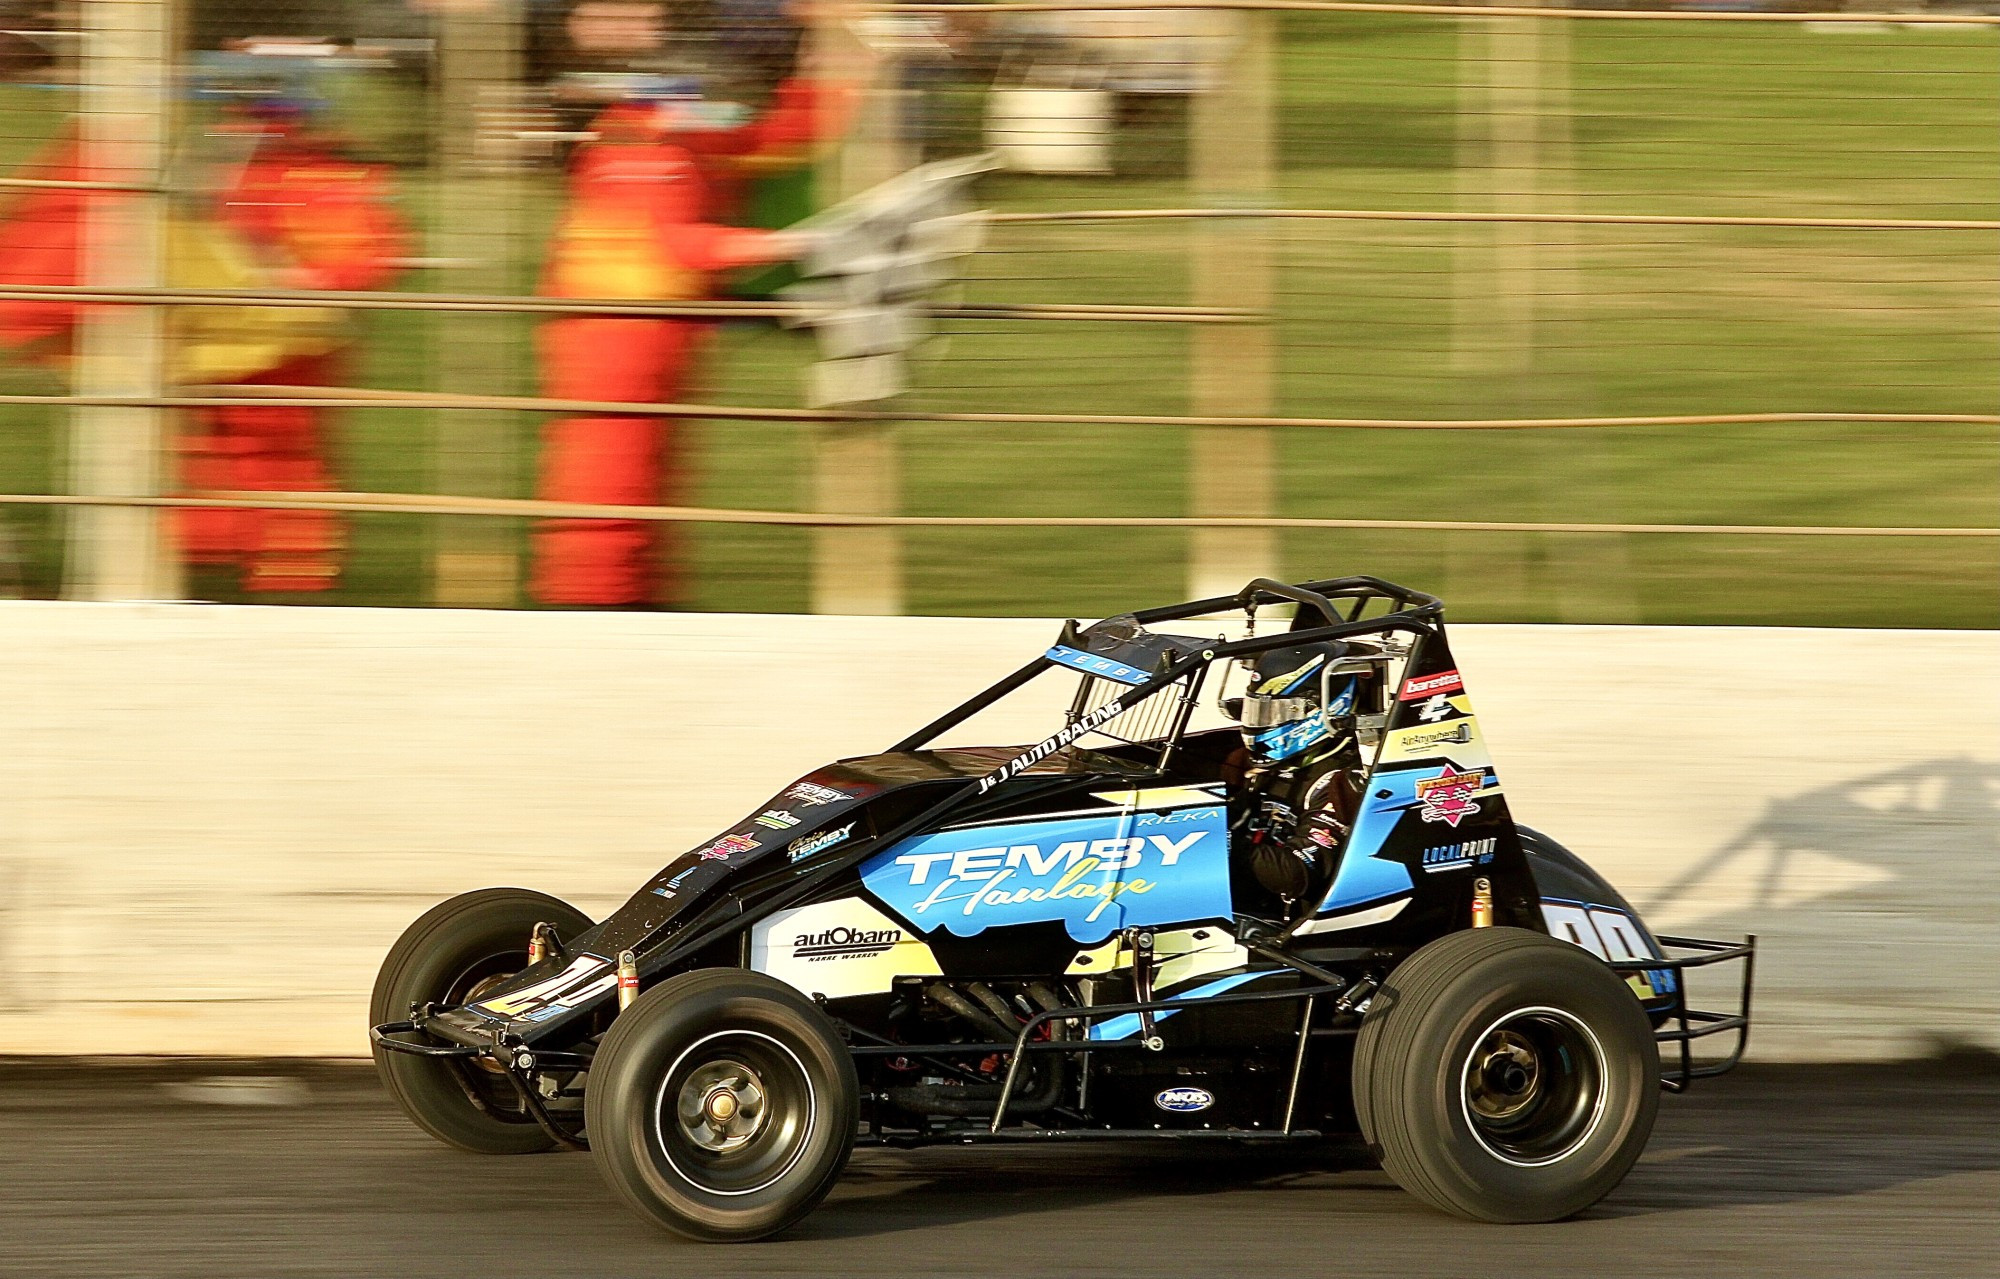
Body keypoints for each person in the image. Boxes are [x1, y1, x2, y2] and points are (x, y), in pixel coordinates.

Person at [531, 96, 805, 607]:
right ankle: (600, 604)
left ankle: (626, 600)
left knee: (640, 494)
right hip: (618, 353)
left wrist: (840, 55)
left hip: (641, 349)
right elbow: (677, 244)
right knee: (610, 491)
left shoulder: (655, 153)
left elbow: (778, 136)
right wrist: (796, 245)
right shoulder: (638, 156)